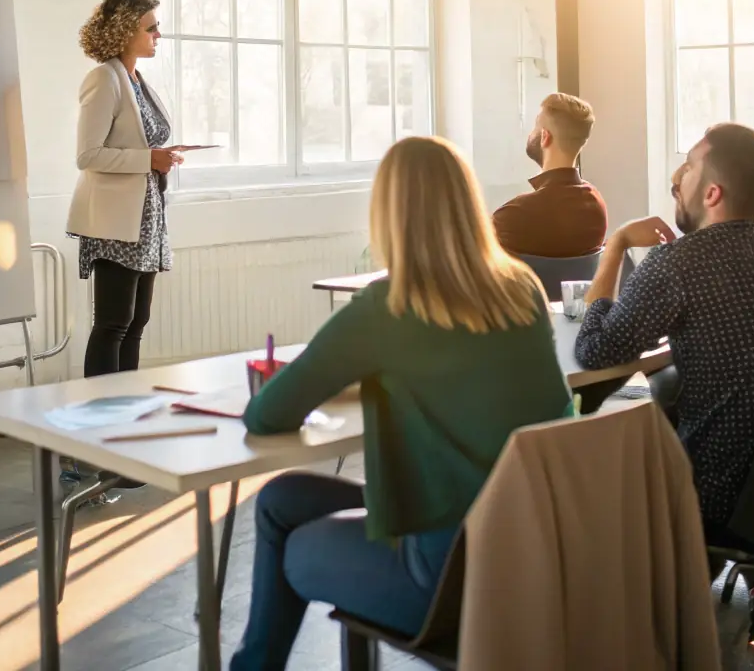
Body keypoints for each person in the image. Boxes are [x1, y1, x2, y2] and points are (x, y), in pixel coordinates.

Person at [231, 136, 573, 671]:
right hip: (531, 552)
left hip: (439, 581)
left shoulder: (386, 306)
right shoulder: (521, 287)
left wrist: (341, 375)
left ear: (388, 214)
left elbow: (267, 414)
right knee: (282, 499)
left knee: (292, 544)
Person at [573, 122, 754, 639]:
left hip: (723, 498)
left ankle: (630, 608)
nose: (675, 178)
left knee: (604, 457)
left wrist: (616, 246)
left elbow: (596, 351)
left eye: (687, 168)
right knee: (671, 393)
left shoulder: (677, 262)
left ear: (711, 192)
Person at [66, 0, 183, 381]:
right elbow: (88, 155)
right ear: (124, 32)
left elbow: (136, 143)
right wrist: (148, 159)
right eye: (151, 28)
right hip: (115, 223)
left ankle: (126, 410)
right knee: (114, 323)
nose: (158, 36)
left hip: (146, 219)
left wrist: (161, 157)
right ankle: (98, 419)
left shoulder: (136, 78)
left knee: (136, 323)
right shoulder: (104, 78)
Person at [492, 92, 608, 258]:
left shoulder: (514, 214)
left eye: (535, 127)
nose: (531, 134)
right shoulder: (597, 206)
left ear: (545, 137)